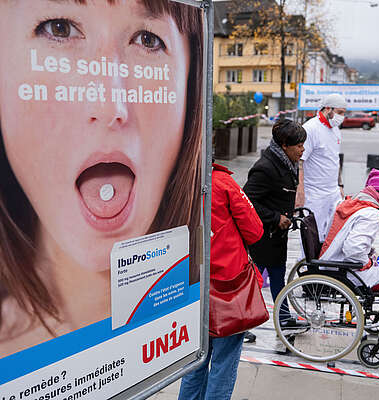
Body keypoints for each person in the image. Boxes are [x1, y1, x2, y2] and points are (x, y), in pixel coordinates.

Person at [0, 0, 203, 358]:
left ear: (191, 81)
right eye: (59, 28)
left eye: (148, 39)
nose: (110, 106)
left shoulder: (182, 314)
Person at [178, 162, 264, 400]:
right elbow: (255, 230)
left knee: (194, 361)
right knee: (224, 362)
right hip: (229, 285)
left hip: (191, 284)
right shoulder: (222, 182)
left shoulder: (178, 181)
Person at [319, 168, 379, 351]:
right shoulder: (372, 213)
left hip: (336, 261)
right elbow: (353, 249)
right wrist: (368, 262)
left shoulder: (359, 203)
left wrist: (370, 255)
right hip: (346, 268)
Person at [243, 120, 306, 323]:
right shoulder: (265, 168)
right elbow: (247, 201)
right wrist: (275, 217)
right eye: (299, 145)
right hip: (262, 237)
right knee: (253, 282)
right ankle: (241, 323)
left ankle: (284, 318)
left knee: (278, 276)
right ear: (284, 145)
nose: (302, 150)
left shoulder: (287, 162)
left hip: (277, 236)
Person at [296, 93, 347, 242]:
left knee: (331, 237)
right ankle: (308, 258)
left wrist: (340, 185)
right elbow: (299, 162)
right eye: (339, 112)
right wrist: (300, 190)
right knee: (312, 237)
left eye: (343, 113)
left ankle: (325, 259)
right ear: (328, 109)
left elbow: (335, 159)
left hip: (333, 192)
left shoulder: (335, 129)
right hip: (314, 194)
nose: (342, 117)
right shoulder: (310, 129)